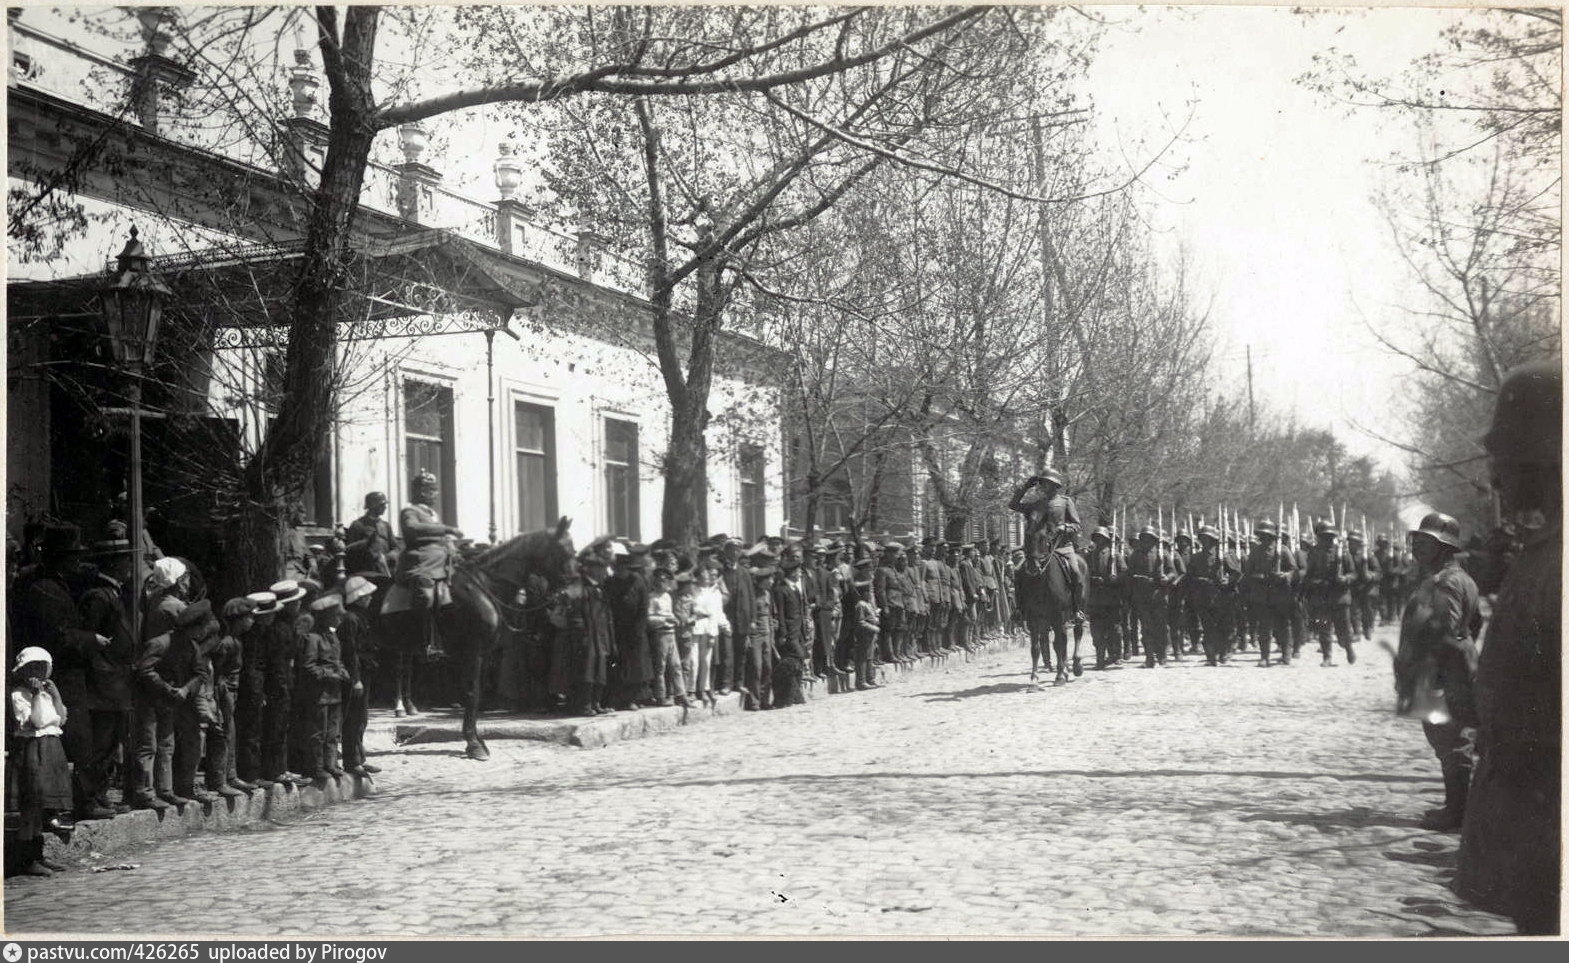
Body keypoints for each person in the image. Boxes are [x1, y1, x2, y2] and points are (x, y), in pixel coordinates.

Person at [1457, 358, 1561, 935]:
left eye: (1507, 460)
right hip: (1532, 827)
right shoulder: (1543, 554)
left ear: (1542, 459)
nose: (1495, 478)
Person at [1392, 512, 1480, 832]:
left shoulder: (1445, 582)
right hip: (1451, 667)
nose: (1416, 548)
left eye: (1425, 543)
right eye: (1416, 541)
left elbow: (1446, 631)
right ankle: (1455, 807)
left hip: (1441, 672)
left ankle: (1456, 813)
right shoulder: (1460, 578)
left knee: (1451, 741)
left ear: (1445, 548)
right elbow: (1475, 624)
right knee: (1450, 740)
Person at [76, 532, 139, 814]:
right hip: (104, 684)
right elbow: (91, 641)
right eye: (126, 560)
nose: (130, 566)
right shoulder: (99, 596)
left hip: (115, 682)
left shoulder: (112, 593)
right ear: (115, 564)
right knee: (100, 744)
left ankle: (100, 795)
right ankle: (90, 798)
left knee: (110, 743)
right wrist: (107, 672)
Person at [6, 647, 72, 876]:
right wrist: (34, 696)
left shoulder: (46, 694)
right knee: (30, 805)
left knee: (40, 807)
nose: (38, 672)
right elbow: (35, 722)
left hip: (51, 749)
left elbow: (60, 719)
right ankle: (26, 859)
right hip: (33, 750)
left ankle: (39, 855)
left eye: (42, 667)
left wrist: (55, 695)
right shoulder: (19, 695)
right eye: (32, 667)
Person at [548, 550, 613, 716]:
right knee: (587, 671)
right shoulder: (579, 587)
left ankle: (596, 703)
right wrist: (582, 632)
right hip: (585, 636)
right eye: (602, 569)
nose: (605, 572)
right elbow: (568, 610)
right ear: (592, 569)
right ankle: (584, 705)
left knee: (600, 670)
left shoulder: (599, 588)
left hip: (599, 635)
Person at [262, 580, 310, 787]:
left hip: (285, 681)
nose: (299, 605)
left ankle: (281, 768)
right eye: (295, 602)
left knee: (282, 727)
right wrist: (282, 687)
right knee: (277, 727)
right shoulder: (280, 629)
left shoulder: (287, 627)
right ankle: (276, 770)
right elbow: (278, 662)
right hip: (278, 684)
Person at [297, 594, 350, 780]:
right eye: (336, 615)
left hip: (335, 692)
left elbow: (337, 660)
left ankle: (331, 763)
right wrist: (331, 675)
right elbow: (308, 666)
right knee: (318, 732)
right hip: (319, 693)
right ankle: (316, 767)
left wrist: (342, 670)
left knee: (333, 732)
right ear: (326, 616)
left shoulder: (333, 636)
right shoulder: (313, 638)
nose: (339, 618)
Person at [205, 597, 253, 796]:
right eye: (248, 617)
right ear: (237, 620)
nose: (251, 621)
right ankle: (219, 780)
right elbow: (216, 672)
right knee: (223, 733)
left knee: (230, 733)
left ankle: (230, 776)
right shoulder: (226, 643)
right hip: (224, 692)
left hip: (232, 691)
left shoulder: (237, 641)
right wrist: (219, 693)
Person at [234, 591, 276, 787]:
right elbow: (251, 668)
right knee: (251, 730)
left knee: (255, 729)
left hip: (256, 687)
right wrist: (257, 692)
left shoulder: (261, 634)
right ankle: (250, 773)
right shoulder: (252, 637)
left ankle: (255, 770)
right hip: (252, 689)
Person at [338, 576, 379, 777]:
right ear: (360, 597)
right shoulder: (351, 619)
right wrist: (356, 679)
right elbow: (350, 652)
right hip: (358, 672)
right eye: (368, 595)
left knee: (361, 717)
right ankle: (351, 761)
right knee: (354, 717)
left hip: (365, 669)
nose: (371, 598)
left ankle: (359, 757)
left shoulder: (359, 616)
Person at [1244, 521, 1297, 667]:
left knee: (1283, 625)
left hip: (1280, 594)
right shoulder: (1255, 551)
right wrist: (1259, 577)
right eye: (1263, 536)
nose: (1265, 539)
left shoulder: (1283, 550)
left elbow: (1293, 570)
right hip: (1262, 594)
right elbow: (1248, 572)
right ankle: (1264, 656)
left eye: (1268, 536)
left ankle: (1286, 654)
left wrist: (1284, 576)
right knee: (1264, 627)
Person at [1304, 523, 1357, 667]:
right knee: (1324, 628)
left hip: (1340, 596)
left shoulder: (1343, 552)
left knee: (1343, 628)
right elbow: (1308, 574)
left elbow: (1353, 573)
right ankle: (1327, 657)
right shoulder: (1314, 553)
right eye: (1323, 537)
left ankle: (1348, 647)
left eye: (1329, 537)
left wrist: (1344, 579)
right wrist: (1313, 583)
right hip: (1322, 596)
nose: (1326, 540)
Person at [1186, 526, 1240, 666]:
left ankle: (1222, 654)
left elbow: (1236, 573)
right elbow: (1189, 577)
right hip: (1203, 597)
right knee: (1207, 627)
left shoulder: (1223, 557)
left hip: (1221, 596)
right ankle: (1211, 656)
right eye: (1203, 539)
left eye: (1208, 539)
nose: (1205, 542)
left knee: (1223, 626)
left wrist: (1228, 580)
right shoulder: (1196, 557)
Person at [1008, 469, 1082, 559]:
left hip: (1062, 548)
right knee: (1018, 570)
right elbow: (1013, 505)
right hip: (1039, 549)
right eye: (1042, 482)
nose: (1043, 485)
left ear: (1054, 484)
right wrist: (1026, 487)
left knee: (1075, 570)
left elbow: (1077, 525)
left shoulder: (1065, 502)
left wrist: (1065, 527)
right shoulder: (1037, 505)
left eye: (1047, 482)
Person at [771, 544, 812, 708]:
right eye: (797, 571)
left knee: (798, 662)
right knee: (796, 658)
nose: (800, 574)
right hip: (789, 632)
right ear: (792, 572)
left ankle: (795, 695)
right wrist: (782, 634)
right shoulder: (781, 590)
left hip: (799, 631)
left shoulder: (795, 589)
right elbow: (780, 613)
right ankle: (785, 696)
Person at [687, 565, 728, 708]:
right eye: (703, 576)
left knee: (706, 662)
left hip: (710, 628)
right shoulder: (692, 590)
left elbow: (718, 612)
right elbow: (691, 608)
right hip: (695, 627)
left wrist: (723, 625)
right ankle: (691, 690)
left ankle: (704, 689)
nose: (706, 578)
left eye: (708, 576)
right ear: (697, 577)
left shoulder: (715, 593)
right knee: (693, 661)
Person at [1086, 527, 1125, 668]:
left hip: (1111, 598)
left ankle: (1116, 654)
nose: (1098, 540)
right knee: (1097, 631)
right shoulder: (1090, 555)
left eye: (1100, 537)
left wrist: (1112, 580)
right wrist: (1092, 579)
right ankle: (1100, 659)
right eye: (1096, 537)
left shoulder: (1114, 555)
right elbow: (1085, 573)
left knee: (1114, 629)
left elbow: (1124, 574)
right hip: (1095, 599)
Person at [645, 568, 685, 707]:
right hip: (660, 634)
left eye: (666, 580)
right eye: (660, 580)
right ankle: (660, 696)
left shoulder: (667, 596)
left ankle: (680, 694)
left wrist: (675, 619)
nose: (663, 582)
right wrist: (664, 621)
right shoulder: (652, 597)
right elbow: (649, 618)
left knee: (676, 665)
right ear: (655, 581)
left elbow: (670, 613)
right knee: (660, 666)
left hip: (671, 633)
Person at [344, 492, 398, 577]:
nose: (385, 507)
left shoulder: (386, 525)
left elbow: (395, 547)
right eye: (382, 504)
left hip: (386, 569)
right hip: (366, 570)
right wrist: (366, 542)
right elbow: (349, 550)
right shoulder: (357, 525)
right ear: (373, 505)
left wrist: (389, 557)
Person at [1347, 530, 1380, 642]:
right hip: (1353, 586)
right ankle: (1357, 632)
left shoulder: (1368, 555)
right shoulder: (1347, 555)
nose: (1351, 545)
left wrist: (1370, 576)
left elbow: (1378, 571)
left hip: (1367, 588)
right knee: (1353, 611)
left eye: (1354, 542)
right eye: (1350, 542)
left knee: (1367, 610)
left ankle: (1368, 628)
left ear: (1359, 543)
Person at [851, 578, 881, 691]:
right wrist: (873, 627)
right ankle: (861, 681)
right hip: (864, 635)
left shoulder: (868, 604)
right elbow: (860, 622)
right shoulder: (860, 605)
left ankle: (870, 679)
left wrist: (876, 616)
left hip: (870, 635)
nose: (870, 594)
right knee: (863, 657)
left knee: (870, 657)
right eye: (868, 592)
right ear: (862, 593)